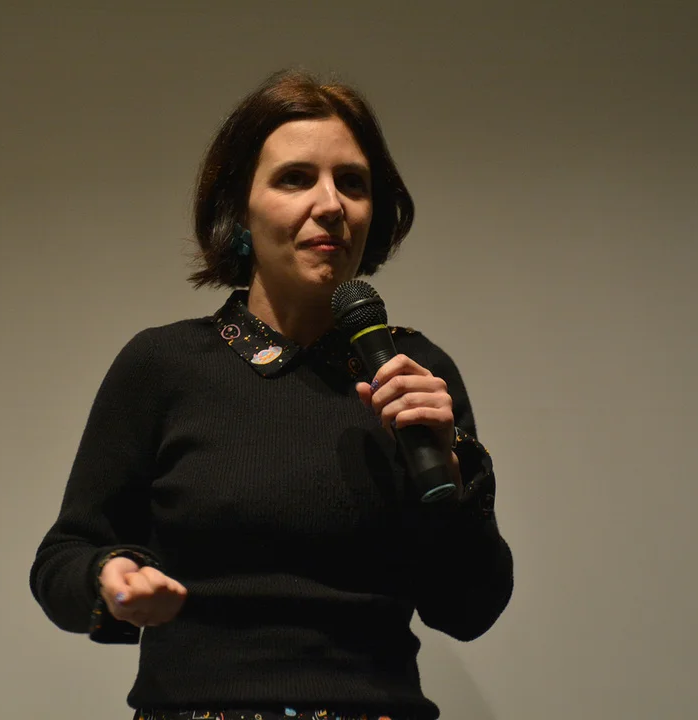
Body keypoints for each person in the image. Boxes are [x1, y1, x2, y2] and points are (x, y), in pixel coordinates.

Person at [29, 67, 514, 720]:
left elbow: (469, 610)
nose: (331, 203)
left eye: (352, 182)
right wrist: (107, 578)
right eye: (295, 178)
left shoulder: (415, 372)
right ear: (240, 208)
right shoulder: (163, 365)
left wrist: (452, 479)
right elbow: (63, 559)